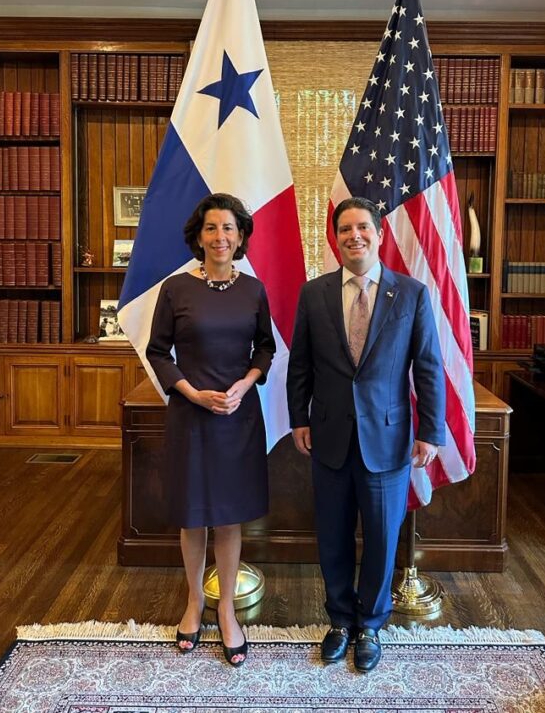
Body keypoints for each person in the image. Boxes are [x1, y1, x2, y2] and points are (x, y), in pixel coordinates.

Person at [286, 197, 446, 672]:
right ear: (335, 240)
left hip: (389, 441)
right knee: (332, 537)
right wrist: (300, 417)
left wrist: (431, 431)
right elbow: (300, 365)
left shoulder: (411, 294)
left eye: (362, 228)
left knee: (380, 538)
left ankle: (371, 626)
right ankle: (339, 621)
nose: (353, 236)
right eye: (344, 230)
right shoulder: (313, 295)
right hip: (329, 438)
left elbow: (429, 367)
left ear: (378, 235)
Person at [146, 192, 275, 667]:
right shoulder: (176, 289)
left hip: (238, 415)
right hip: (190, 413)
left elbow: (266, 349)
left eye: (228, 228)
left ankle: (225, 611)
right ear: (197, 236)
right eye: (211, 228)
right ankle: (194, 602)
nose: (220, 237)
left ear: (241, 237)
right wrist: (192, 392)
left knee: (229, 514)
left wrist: (244, 384)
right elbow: (158, 352)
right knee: (193, 513)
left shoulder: (253, 290)